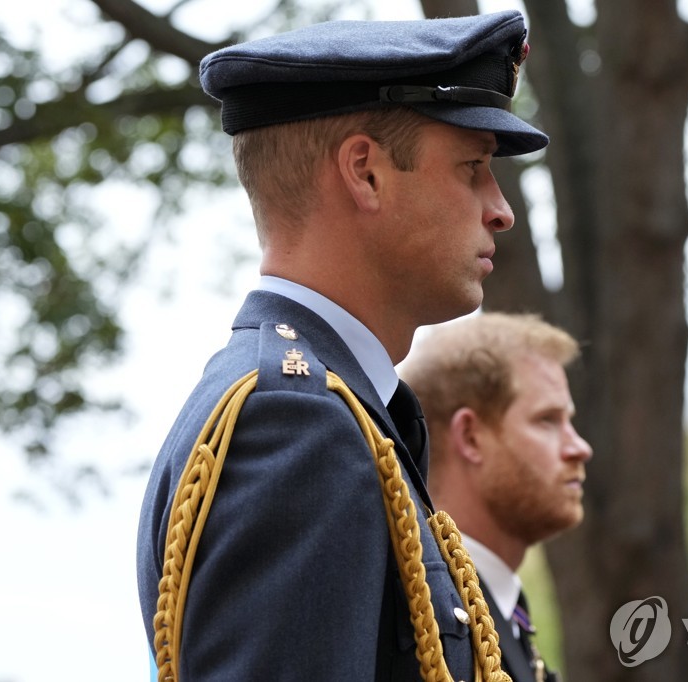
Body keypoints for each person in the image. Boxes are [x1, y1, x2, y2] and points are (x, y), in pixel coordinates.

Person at [135, 11, 548, 681]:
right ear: (366, 173)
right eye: (472, 167)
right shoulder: (295, 423)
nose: (499, 208)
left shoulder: (344, 409)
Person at [398, 312, 594, 682]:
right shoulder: (426, 626)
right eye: (547, 420)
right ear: (471, 437)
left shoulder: (494, 605)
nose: (579, 448)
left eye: (570, 421)